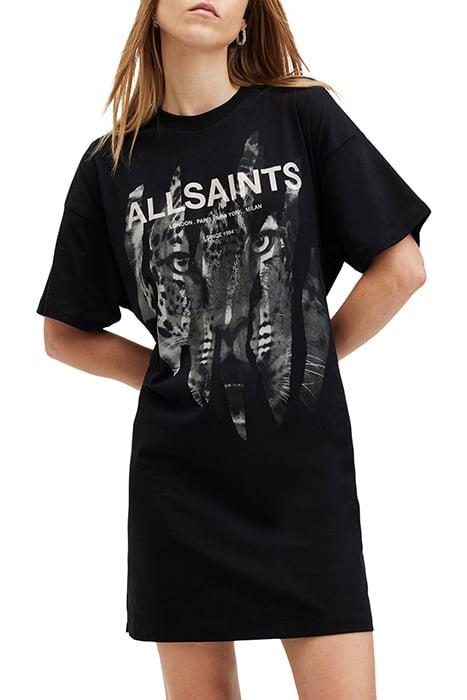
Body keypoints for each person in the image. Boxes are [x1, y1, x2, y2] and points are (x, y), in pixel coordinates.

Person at [36, 1, 431, 698]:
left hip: (302, 480)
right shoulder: (110, 165)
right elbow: (63, 332)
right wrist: (173, 371)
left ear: (247, 16)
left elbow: (401, 269)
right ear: (153, 10)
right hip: (180, 489)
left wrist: (306, 356)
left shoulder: (301, 116)